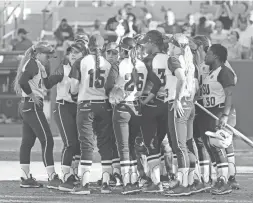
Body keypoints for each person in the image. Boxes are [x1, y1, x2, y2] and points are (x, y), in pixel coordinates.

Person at [105, 37, 150, 194]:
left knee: (123, 147)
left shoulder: (119, 64)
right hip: (137, 108)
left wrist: (116, 93)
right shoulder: (142, 65)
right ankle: (135, 180)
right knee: (132, 146)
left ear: (122, 50)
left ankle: (128, 182)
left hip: (122, 108)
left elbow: (108, 86)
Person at [69, 34, 114, 195]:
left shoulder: (80, 62)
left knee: (87, 144)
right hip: (103, 105)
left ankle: (85, 182)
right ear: (102, 47)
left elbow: (73, 88)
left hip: (85, 104)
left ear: (89, 46)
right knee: (105, 143)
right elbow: (111, 88)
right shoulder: (108, 63)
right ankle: (106, 182)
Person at [14, 41, 61, 189]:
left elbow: (46, 84)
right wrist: (32, 96)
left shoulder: (38, 65)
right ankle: (52, 176)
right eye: (47, 54)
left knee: (27, 142)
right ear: (38, 53)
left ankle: (25, 177)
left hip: (28, 105)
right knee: (47, 140)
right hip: (31, 104)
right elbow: (22, 81)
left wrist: (60, 74)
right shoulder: (33, 63)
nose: (49, 57)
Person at [41, 42, 87, 191]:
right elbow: (47, 84)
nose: (73, 54)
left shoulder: (87, 69)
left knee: (79, 143)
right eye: (71, 51)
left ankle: (73, 174)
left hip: (79, 107)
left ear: (84, 54)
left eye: (77, 52)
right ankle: (66, 177)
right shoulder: (64, 68)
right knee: (70, 142)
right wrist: (45, 65)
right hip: (63, 107)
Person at [164, 34, 198, 196]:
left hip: (179, 104)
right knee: (188, 144)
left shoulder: (174, 59)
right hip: (189, 104)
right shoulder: (189, 61)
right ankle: (191, 181)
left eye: (171, 43)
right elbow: (195, 85)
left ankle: (184, 184)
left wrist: (177, 99)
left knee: (179, 146)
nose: (169, 45)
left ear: (176, 45)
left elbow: (181, 79)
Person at [200, 44, 236, 195]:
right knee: (210, 146)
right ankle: (220, 178)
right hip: (209, 111)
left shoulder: (223, 71)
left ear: (215, 56)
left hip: (219, 110)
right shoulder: (210, 72)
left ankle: (224, 181)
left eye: (208, 53)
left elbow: (229, 94)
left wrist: (225, 115)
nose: (205, 56)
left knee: (217, 145)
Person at [138, 30, 170, 193]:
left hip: (151, 105)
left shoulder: (147, 60)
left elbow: (145, 84)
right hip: (169, 104)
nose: (144, 45)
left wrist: (143, 101)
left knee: (151, 144)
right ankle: (179, 179)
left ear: (152, 42)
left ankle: (156, 182)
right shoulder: (171, 59)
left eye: (146, 42)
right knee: (167, 144)